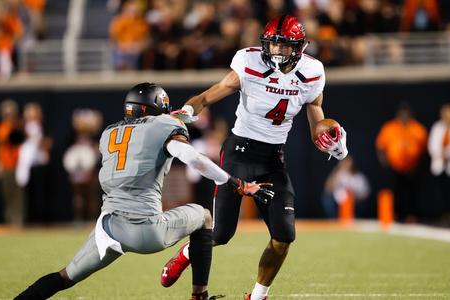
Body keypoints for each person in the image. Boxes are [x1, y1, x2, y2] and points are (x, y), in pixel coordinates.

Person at [14, 83, 273, 300]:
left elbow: (141, 138)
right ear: (158, 107)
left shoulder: (109, 132)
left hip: (108, 228)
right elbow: (190, 157)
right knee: (204, 216)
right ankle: (200, 296)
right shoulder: (165, 126)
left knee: (65, 276)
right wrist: (234, 182)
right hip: (146, 230)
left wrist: (175, 119)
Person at [162, 15, 348, 300]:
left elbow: (317, 124)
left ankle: (258, 296)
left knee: (284, 236)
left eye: (284, 47)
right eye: (272, 45)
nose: (276, 52)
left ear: (299, 48)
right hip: (239, 152)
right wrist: (187, 111)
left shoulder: (313, 71)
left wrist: (332, 139)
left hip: (274, 159)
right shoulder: (248, 63)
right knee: (222, 234)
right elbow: (208, 96)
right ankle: (187, 252)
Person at [376, 104, 427, 222]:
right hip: (394, 167)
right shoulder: (389, 127)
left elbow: (424, 148)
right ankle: (394, 214)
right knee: (394, 192)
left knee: (412, 193)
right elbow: (381, 146)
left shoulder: (417, 128)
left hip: (412, 167)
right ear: (398, 115)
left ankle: (411, 215)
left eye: (406, 114)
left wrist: (417, 163)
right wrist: (385, 162)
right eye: (402, 114)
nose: (404, 117)